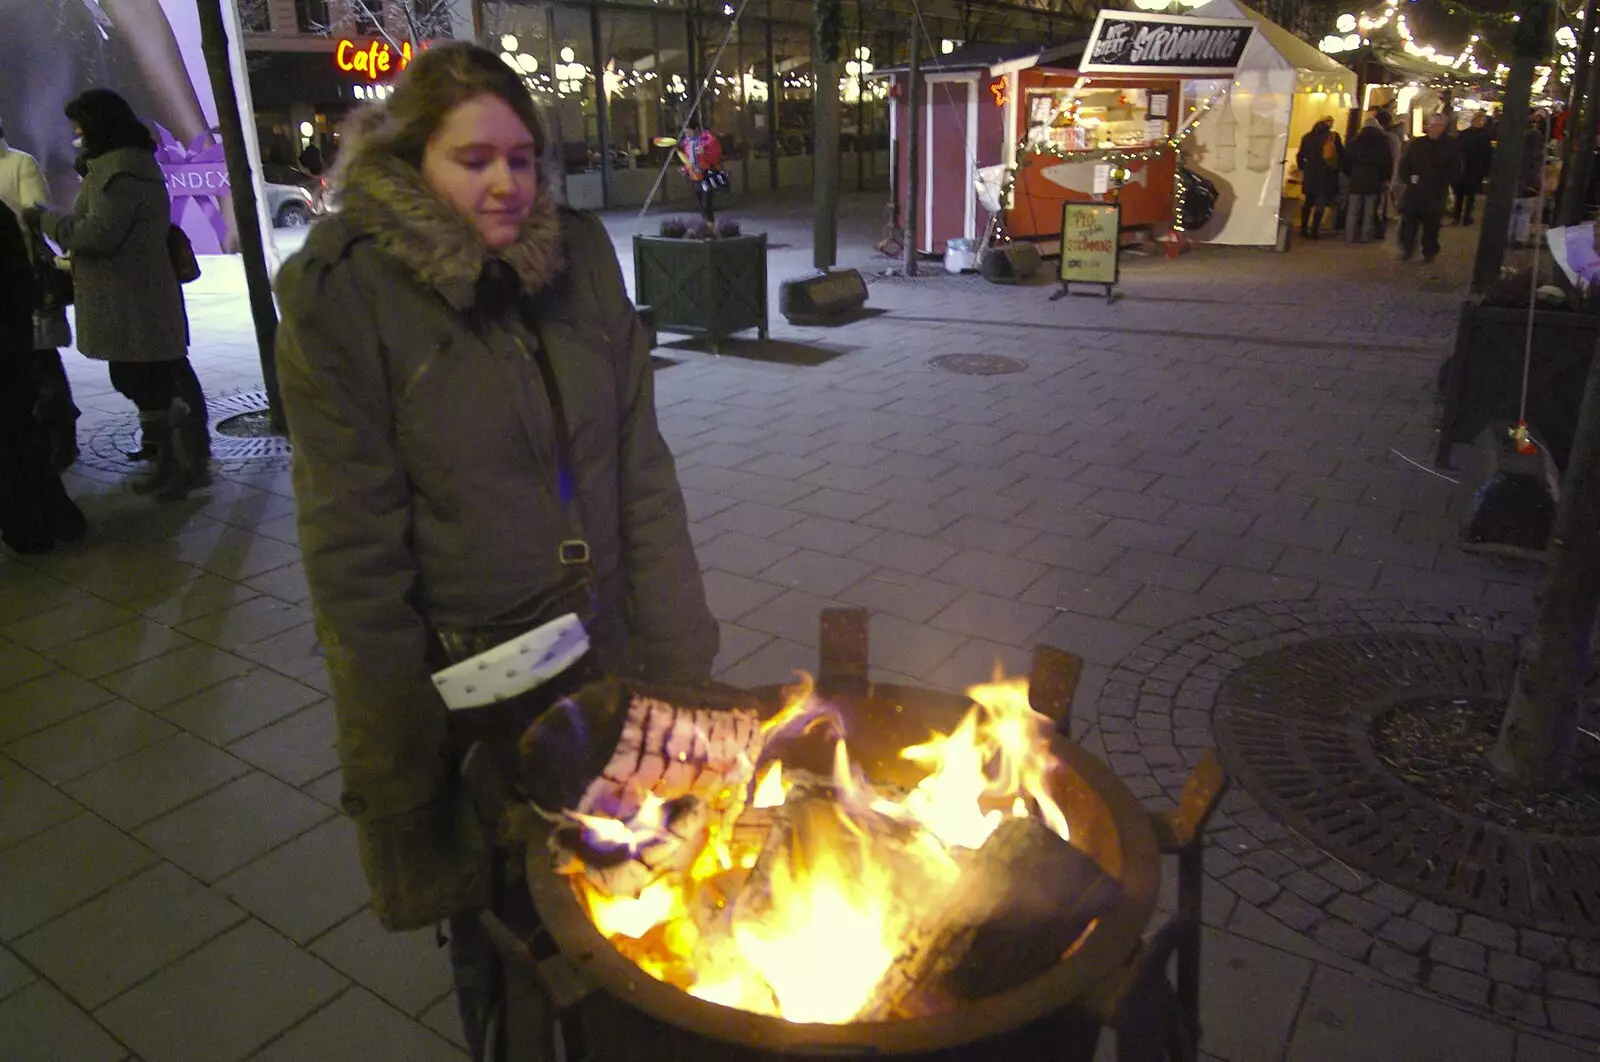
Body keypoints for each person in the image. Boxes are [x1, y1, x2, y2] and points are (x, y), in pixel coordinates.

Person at [273, 43, 718, 1058]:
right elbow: (354, 559)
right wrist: (397, 783)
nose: (506, 184)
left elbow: (639, 470)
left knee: (642, 903)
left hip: (610, 652)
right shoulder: (347, 294)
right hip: (481, 690)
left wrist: (683, 653)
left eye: (522, 158)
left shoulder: (581, 258)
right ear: (413, 161)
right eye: (473, 159)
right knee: (514, 942)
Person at [24, 88, 209, 500]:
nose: (75, 133)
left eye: (80, 125)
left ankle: (183, 460)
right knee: (148, 376)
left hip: (132, 296)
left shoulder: (118, 173)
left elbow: (97, 233)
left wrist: (47, 221)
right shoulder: (120, 168)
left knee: (142, 376)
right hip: (133, 292)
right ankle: (172, 458)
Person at [0, 199, 86, 553]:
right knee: (23, 432)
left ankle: (28, 527)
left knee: (11, 442)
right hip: (13, 342)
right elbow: (21, 282)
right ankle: (58, 517)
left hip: (9, 342)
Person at [1, 120, 78, 471]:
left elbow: (37, 213)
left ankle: (62, 436)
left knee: (41, 360)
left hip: (22, 275)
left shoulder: (19, 163)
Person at [1397, 113, 1462, 263]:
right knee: (1409, 221)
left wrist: (1444, 182)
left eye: (1438, 125)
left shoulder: (1450, 146)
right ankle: (1407, 249)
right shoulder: (1417, 144)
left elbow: (1456, 168)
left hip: (1436, 192)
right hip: (1415, 190)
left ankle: (1429, 251)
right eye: (1432, 125)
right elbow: (1405, 164)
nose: (1434, 129)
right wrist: (1408, 178)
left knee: (1432, 224)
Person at [1343, 116, 1394, 244]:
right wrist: (1385, 178)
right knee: (1369, 211)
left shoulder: (1355, 141)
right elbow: (1387, 163)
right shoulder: (1382, 142)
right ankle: (1365, 236)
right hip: (1374, 180)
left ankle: (1350, 237)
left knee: (1353, 210)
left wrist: (1350, 174)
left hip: (1356, 179)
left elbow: (1346, 161)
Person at [1295, 116, 1343, 239]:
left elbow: (1300, 156)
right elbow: (1341, 155)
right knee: (1320, 203)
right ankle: (1314, 230)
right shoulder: (1333, 137)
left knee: (1308, 202)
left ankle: (1303, 228)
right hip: (1326, 174)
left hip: (1310, 174)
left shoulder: (1307, 137)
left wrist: (1304, 168)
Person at [679, 116, 723, 223]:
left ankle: (711, 227)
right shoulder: (687, 143)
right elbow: (688, 159)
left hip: (707, 175)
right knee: (701, 205)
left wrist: (705, 153)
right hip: (695, 176)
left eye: (688, 131)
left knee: (706, 203)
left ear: (695, 130)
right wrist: (685, 169)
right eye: (685, 131)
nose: (686, 134)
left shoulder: (709, 140)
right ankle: (707, 226)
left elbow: (717, 158)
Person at [1453, 113, 1493, 226]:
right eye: (1478, 120)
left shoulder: (1480, 136)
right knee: (1461, 195)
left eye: (1482, 120)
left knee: (1469, 195)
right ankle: (1458, 216)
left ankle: (1465, 216)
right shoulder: (1471, 135)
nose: (1480, 122)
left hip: (1474, 169)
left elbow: (1487, 155)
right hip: (1467, 168)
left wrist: (1485, 170)